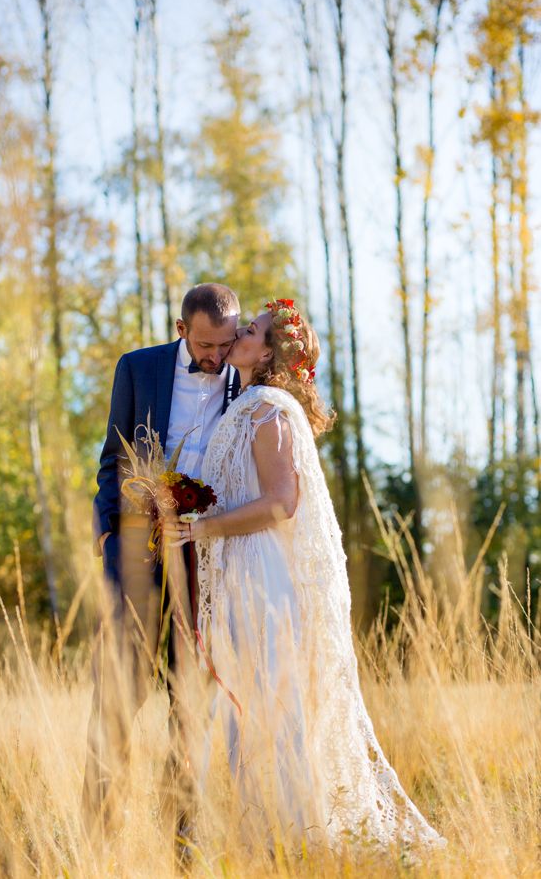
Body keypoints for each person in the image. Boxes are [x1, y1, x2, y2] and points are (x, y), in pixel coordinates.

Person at [165, 299, 447, 857]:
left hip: (262, 575)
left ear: (266, 352)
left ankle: (297, 841)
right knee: (250, 711)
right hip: (241, 572)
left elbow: (282, 503)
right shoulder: (245, 405)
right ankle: (262, 839)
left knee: (273, 709)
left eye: (251, 330)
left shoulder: (268, 408)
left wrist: (205, 529)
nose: (240, 333)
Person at [82, 283, 241, 845]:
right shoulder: (137, 368)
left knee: (190, 705)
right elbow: (113, 459)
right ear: (181, 330)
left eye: (225, 345)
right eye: (204, 344)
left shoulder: (245, 378)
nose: (216, 357)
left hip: (209, 565)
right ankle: (99, 838)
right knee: (118, 697)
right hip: (136, 556)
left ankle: (184, 843)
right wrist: (106, 532)